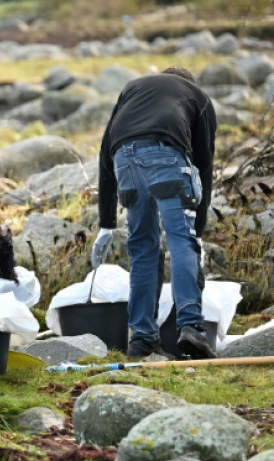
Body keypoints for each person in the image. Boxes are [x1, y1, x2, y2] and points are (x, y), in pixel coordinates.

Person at [93, 66, 218, 360]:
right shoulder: (198, 97)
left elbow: (104, 153)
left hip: (124, 158)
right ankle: (191, 327)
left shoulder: (133, 88)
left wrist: (106, 223)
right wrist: (198, 232)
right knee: (181, 240)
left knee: (143, 249)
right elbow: (204, 165)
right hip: (166, 156)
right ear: (188, 84)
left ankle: (142, 338)